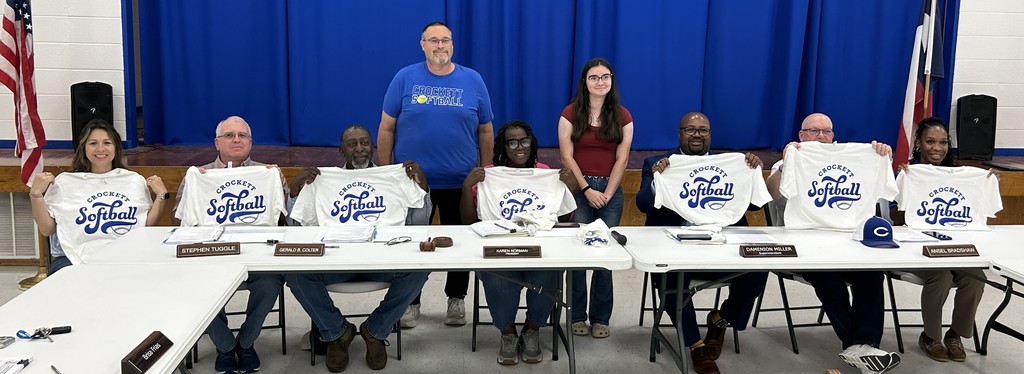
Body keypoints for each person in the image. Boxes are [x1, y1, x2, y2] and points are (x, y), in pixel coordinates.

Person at [377, 21, 495, 327]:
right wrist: (387, 171)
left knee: (460, 245)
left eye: (445, 40)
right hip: (413, 185)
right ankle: (410, 301)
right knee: (413, 244)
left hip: (460, 181)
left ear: (452, 45)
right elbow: (386, 127)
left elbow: (485, 129)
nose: (440, 46)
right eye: (433, 41)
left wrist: (486, 170)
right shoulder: (405, 78)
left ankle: (456, 299)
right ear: (422, 45)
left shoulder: (473, 80)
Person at [286, 125, 431, 372]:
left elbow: (419, 224)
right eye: (352, 144)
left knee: (419, 270)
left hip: (382, 261)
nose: (360, 148)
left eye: (364, 142)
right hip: (336, 262)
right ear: (341, 151)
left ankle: (375, 330)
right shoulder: (324, 180)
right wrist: (295, 191)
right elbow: (296, 227)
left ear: (373, 147)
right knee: (296, 275)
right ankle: (337, 332)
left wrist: (422, 187)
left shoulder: (392, 176)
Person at [765, 113, 901, 373]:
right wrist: (786, 162)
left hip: (849, 245)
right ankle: (861, 347)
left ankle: (862, 347)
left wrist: (880, 157)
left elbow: (885, 189)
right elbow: (772, 192)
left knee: (872, 275)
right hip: (805, 250)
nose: (820, 136)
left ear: (833, 136)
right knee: (828, 278)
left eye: (826, 131)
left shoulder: (855, 158)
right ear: (801, 135)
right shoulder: (793, 158)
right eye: (813, 131)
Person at [636, 112, 768, 374]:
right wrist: (655, 179)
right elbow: (642, 204)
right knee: (671, 279)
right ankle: (696, 345)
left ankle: (720, 319)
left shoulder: (731, 163)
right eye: (690, 129)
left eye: (703, 130)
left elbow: (753, 205)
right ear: (679, 133)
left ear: (710, 134)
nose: (697, 134)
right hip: (676, 249)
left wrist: (752, 172)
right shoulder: (659, 163)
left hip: (724, 248)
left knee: (759, 269)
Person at [173, 115, 286, 374]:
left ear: (250, 142)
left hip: (256, 254)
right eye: (229, 135)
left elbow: (281, 220)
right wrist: (194, 187)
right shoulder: (199, 175)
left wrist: (278, 183)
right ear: (217, 143)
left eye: (242, 135)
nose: (236, 140)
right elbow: (180, 218)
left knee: (271, 282)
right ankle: (225, 346)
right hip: (212, 255)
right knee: (197, 285)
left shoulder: (267, 173)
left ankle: (246, 342)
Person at [460, 121, 576, 365]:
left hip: (539, 249)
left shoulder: (544, 171)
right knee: (496, 277)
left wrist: (569, 189)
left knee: (551, 275)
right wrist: (466, 188)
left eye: (524, 140)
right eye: (511, 142)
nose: (519, 146)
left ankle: (532, 330)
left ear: (531, 142)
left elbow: (561, 220)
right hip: (499, 249)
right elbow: (469, 222)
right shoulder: (488, 173)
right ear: (503, 146)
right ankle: (508, 333)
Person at [894, 118, 987, 363]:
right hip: (918, 249)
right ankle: (930, 337)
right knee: (942, 276)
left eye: (943, 142)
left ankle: (955, 334)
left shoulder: (960, 175)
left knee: (976, 277)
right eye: (931, 141)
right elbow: (897, 217)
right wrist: (903, 180)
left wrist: (985, 183)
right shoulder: (909, 172)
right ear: (919, 143)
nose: (938, 148)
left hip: (956, 247)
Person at [29, 119, 168, 274]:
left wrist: (161, 196)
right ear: (83, 147)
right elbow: (47, 229)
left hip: (127, 257)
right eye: (93, 143)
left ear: (115, 147)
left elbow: (146, 226)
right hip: (74, 258)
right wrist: (36, 195)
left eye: (107, 143)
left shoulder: (133, 180)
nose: (100, 149)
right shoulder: (64, 182)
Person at [557, 57, 633, 338]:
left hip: (611, 191)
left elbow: (622, 158)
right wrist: (587, 189)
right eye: (594, 77)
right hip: (579, 190)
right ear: (585, 82)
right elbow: (566, 156)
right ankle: (576, 315)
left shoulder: (623, 115)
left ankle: (601, 318)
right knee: (577, 255)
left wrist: (608, 193)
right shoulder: (569, 113)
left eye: (605, 77)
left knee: (605, 256)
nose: (600, 82)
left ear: (611, 81)